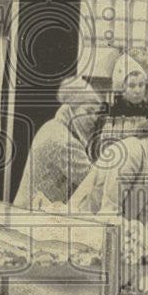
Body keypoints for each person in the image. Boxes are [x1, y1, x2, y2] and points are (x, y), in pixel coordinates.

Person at [70, 105, 148, 223]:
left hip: (109, 227)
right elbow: (109, 210)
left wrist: (145, 236)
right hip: (83, 224)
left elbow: (146, 210)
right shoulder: (132, 152)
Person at [13, 77, 104, 210]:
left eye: (96, 113)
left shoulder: (53, 127)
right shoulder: (64, 142)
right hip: (31, 218)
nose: (94, 118)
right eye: (88, 111)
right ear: (72, 109)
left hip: (28, 211)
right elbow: (94, 183)